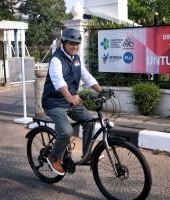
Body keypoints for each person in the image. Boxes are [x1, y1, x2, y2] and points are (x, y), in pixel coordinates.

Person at [42, 28, 103, 175]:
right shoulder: (56, 60)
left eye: (77, 44)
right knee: (67, 131)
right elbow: (58, 80)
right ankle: (53, 157)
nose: (75, 46)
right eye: (71, 43)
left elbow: (86, 76)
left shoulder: (76, 58)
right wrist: (69, 96)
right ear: (64, 43)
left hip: (71, 102)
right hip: (54, 103)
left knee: (89, 120)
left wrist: (101, 90)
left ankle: (87, 154)